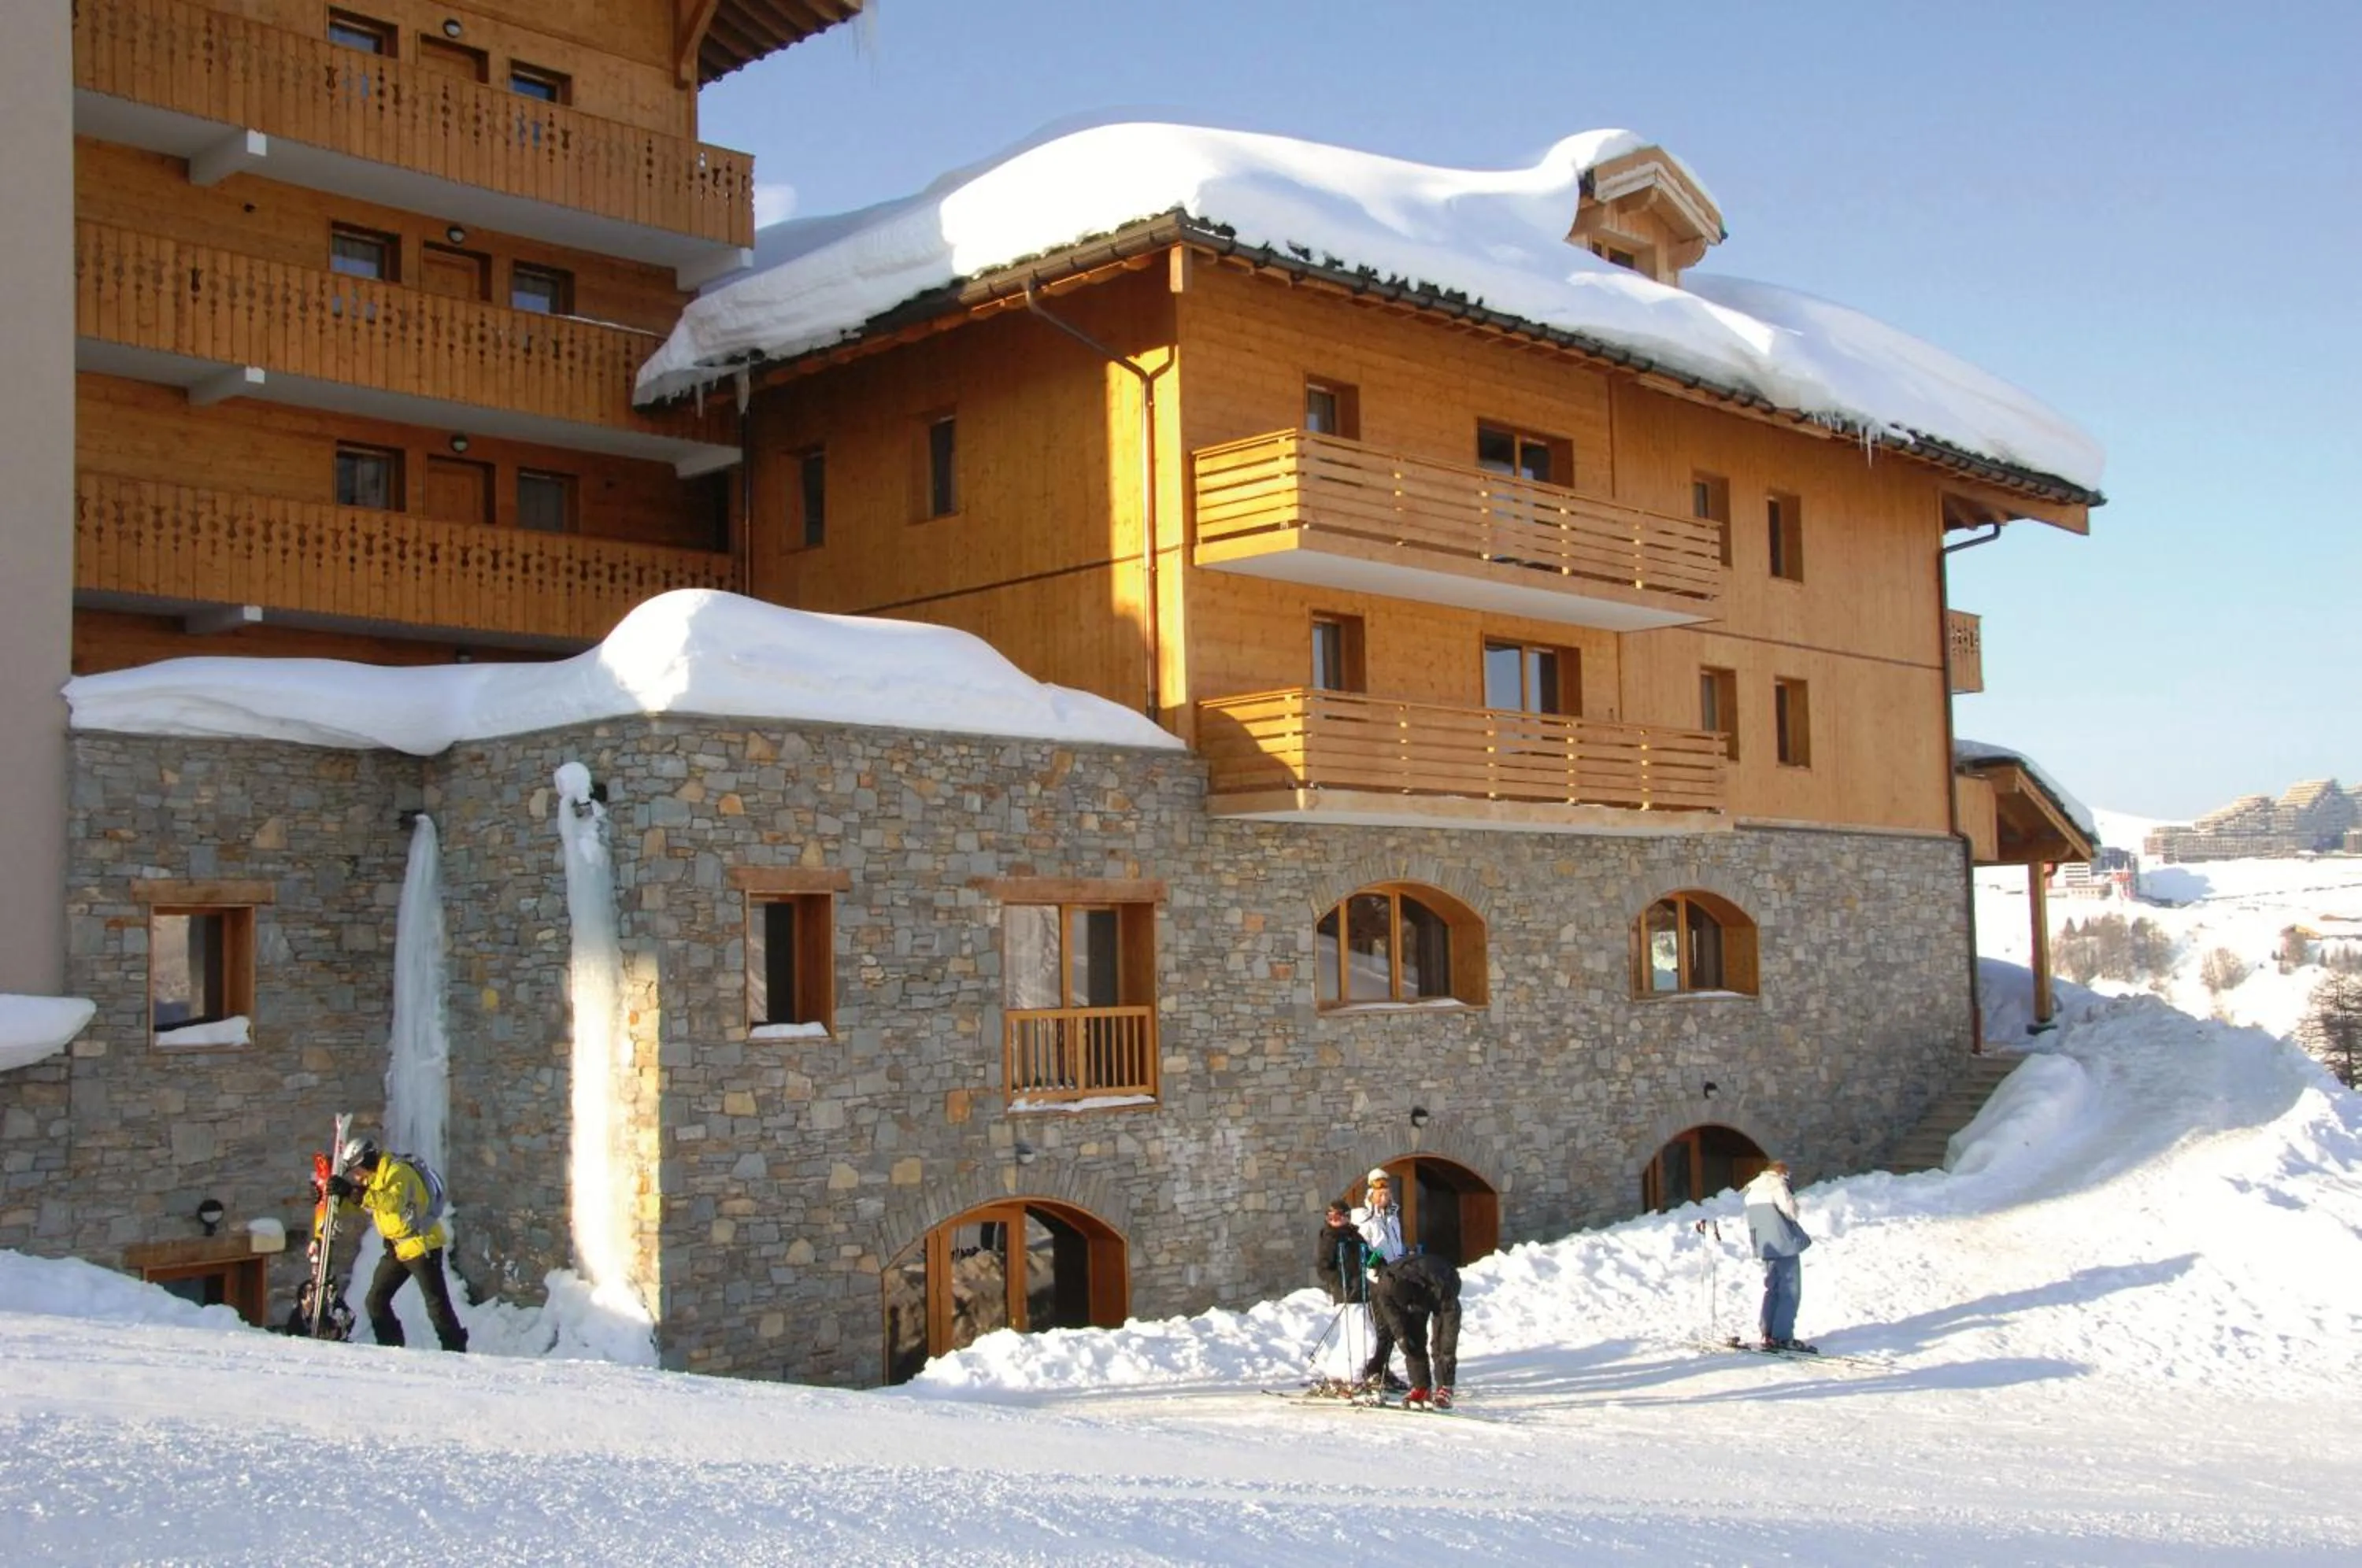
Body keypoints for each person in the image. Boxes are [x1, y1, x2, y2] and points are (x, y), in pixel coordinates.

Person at [327, 1138, 468, 1354]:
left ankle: (455, 1350)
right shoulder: (374, 1177)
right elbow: (365, 1204)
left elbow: (393, 1202)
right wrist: (336, 1197)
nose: (356, 1176)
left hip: (422, 1245)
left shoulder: (398, 1172)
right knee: (375, 1301)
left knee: (436, 1305)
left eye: (356, 1170)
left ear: (366, 1161)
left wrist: (354, 1193)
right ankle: (391, 1349)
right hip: (397, 1247)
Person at [1368, 1249, 1462, 1409]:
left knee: (1443, 1343)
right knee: (1412, 1341)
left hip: (1441, 1288)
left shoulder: (1439, 1282)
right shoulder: (1384, 1291)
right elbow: (1395, 1321)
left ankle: (1444, 1387)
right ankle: (1420, 1387)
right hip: (1415, 1291)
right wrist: (1402, 1338)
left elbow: (1449, 1323)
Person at [1349, 1168, 1409, 1392]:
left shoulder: (1393, 1218)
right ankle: (1375, 1369)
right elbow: (1362, 1247)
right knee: (1384, 1326)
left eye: (1387, 1194)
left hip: (1396, 1276)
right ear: (1371, 1195)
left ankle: (1380, 1368)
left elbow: (1396, 1244)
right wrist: (1375, 1263)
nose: (1385, 1198)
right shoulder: (1365, 1219)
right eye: (1380, 1194)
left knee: (1395, 1325)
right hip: (1377, 1279)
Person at [1742, 1160, 1812, 1352]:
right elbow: (1791, 1212)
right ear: (1783, 1174)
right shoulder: (1777, 1186)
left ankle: (1768, 1332)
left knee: (1772, 1288)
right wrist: (1790, 1195)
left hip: (1766, 1246)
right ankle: (1782, 1336)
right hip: (1783, 1244)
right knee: (1790, 1291)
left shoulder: (1751, 1190)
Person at [1315, 1201, 1366, 1304]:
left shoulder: (1355, 1236)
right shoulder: (1329, 1238)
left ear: (1347, 1217)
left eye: (1337, 1217)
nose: (1334, 1220)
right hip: (1343, 1292)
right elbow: (1322, 1269)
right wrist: (1338, 1279)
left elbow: (1366, 1254)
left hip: (1361, 1287)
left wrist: (1377, 1261)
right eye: (1330, 1217)